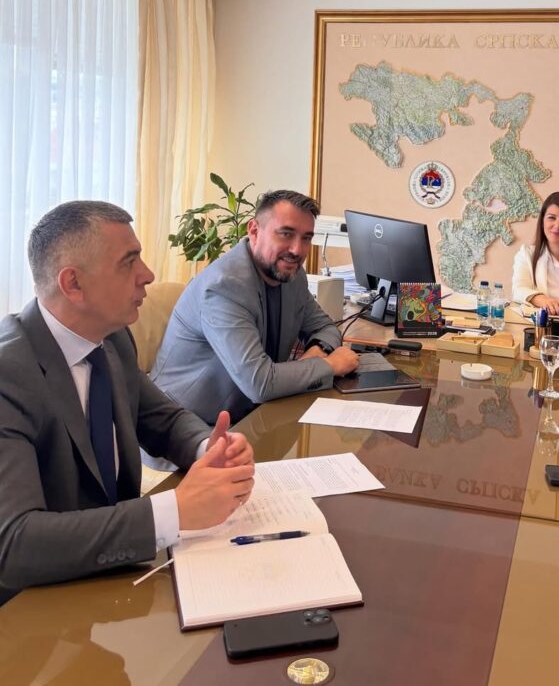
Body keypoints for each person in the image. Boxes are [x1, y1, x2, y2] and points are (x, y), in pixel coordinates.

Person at [0, 201, 255, 605]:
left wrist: (209, 447)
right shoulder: (8, 373)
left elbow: (163, 419)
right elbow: (16, 543)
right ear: (73, 284)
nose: (148, 274)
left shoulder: (112, 338)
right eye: (128, 262)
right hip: (35, 609)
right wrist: (174, 511)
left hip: (118, 582)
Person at [150, 189, 358, 424]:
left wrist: (317, 349)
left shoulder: (292, 276)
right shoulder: (223, 287)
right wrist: (328, 365)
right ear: (254, 231)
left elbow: (326, 327)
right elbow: (260, 383)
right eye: (286, 234)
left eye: (306, 238)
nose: (297, 250)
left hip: (254, 414)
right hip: (187, 426)